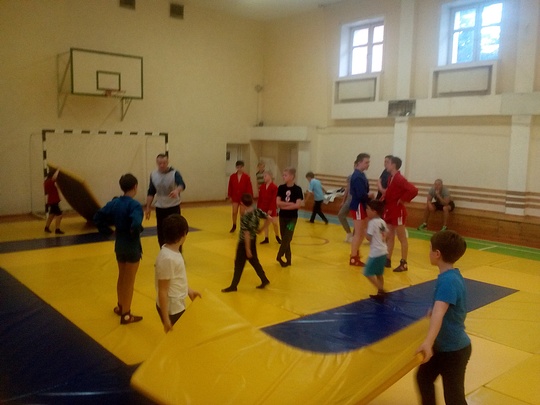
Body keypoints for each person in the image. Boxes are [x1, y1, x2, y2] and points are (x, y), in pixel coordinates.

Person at [416, 230, 470, 405]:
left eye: (430, 248)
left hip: (454, 351)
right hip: (442, 346)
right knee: (423, 378)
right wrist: (434, 310)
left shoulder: (448, 281)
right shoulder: (452, 275)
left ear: (437, 254)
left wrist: (427, 342)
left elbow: (440, 312)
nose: (429, 252)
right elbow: (444, 307)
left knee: (454, 398)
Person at [93, 174, 144, 325]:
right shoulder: (134, 205)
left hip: (119, 244)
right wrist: (134, 231)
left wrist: (108, 231)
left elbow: (97, 217)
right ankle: (126, 314)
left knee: (122, 276)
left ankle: (120, 306)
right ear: (135, 187)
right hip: (131, 245)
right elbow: (136, 223)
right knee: (129, 281)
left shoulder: (115, 203)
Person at [155, 214, 201, 333]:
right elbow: (162, 290)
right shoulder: (168, 258)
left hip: (175, 303)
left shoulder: (172, 251)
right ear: (183, 235)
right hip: (172, 308)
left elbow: (176, 279)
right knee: (181, 335)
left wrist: (189, 291)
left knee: (181, 334)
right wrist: (166, 319)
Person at [222, 193, 271, 292]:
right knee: (254, 261)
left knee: (239, 264)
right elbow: (270, 218)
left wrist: (247, 249)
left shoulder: (245, 217)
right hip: (253, 239)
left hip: (244, 243)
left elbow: (246, 234)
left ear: (242, 204)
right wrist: (261, 230)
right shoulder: (257, 211)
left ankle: (233, 285)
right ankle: (264, 279)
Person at [382, 156, 418, 272]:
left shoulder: (399, 178)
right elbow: (391, 192)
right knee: (389, 236)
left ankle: (404, 263)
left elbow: (413, 190)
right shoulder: (391, 178)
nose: (385, 164)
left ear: (393, 165)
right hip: (390, 209)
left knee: (402, 237)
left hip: (397, 211)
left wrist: (403, 199)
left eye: (388, 162)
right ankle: (387, 259)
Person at [145, 153, 186, 249]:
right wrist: (148, 207)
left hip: (173, 207)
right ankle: (163, 251)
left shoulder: (174, 173)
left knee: (175, 231)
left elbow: (182, 184)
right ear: (157, 163)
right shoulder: (153, 175)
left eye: (164, 163)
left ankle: (177, 252)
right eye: (160, 163)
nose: (162, 165)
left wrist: (177, 190)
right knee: (161, 232)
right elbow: (151, 191)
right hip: (160, 208)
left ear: (168, 162)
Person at [349, 153, 373, 267]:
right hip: (358, 205)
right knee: (358, 233)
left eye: (368, 162)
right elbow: (360, 194)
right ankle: (353, 257)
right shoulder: (357, 176)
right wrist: (369, 196)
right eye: (366, 162)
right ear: (359, 163)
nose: (368, 164)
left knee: (361, 232)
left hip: (361, 205)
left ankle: (355, 253)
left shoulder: (361, 175)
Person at [276, 167, 303, 268]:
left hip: (292, 218)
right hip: (282, 217)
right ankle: (288, 259)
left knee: (288, 237)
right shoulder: (281, 188)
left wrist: (284, 206)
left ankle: (279, 255)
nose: (283, 177)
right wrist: (290, 204)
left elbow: (298, 205)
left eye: (285, 175)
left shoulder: (298, 189)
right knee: (284, 238)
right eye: (283, 175)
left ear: (292, 176)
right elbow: (278, 203)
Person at [363, 200, 389, 301]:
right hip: (383, 251)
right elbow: (386, 235)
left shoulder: (372, 223)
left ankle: (381, 290)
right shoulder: (382, 221)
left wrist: (365, 231)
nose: (366, 211)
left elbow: (368, 237)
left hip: (376, 252)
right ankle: (380, 292)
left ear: (374, 211)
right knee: (379, 273)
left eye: (368, 209)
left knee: (367, 272)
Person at [227, 160, 253, 233]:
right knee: (234, 212)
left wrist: (249, 197)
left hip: (243, 197)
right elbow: (230, 186)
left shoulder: (246, 177)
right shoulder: (232, 176)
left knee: (242, 213)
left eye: (241, 167)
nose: (239, 169)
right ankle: (234, 225)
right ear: (236, 167)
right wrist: (229, 196)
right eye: (238, 167)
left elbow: (249, 187)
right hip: (235, 196)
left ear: (243, 167)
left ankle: (242, 226)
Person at [257, 170, 281, 244]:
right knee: (265, 222)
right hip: (263, 207)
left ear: (270, 176)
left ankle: (277, 236)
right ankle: (266, 238)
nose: (264, 178)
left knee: (275, 223)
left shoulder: (274, 187)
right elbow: (260, 198)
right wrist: (259, 208)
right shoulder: (262, 187)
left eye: (265, 176)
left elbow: (274, 198)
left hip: (272, 207)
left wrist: (271, 208)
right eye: (263, 176)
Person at [43, 168, 64, 234]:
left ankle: (46, 227)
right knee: (59, 215)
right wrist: (58, 170)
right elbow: (55, 177)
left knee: (51, 215)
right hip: (54, 201)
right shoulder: (51, 181)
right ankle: (57, 229)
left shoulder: (45, 182)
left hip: (51, 200)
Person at [338, 171, 353, 242]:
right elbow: (347, 189)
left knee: (357, 220)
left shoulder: (361, 177)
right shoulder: (350, 176)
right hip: (349, 200)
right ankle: (349, 232)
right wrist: (343, 201)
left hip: (356, 201)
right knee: (340, 215)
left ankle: (354, 236)